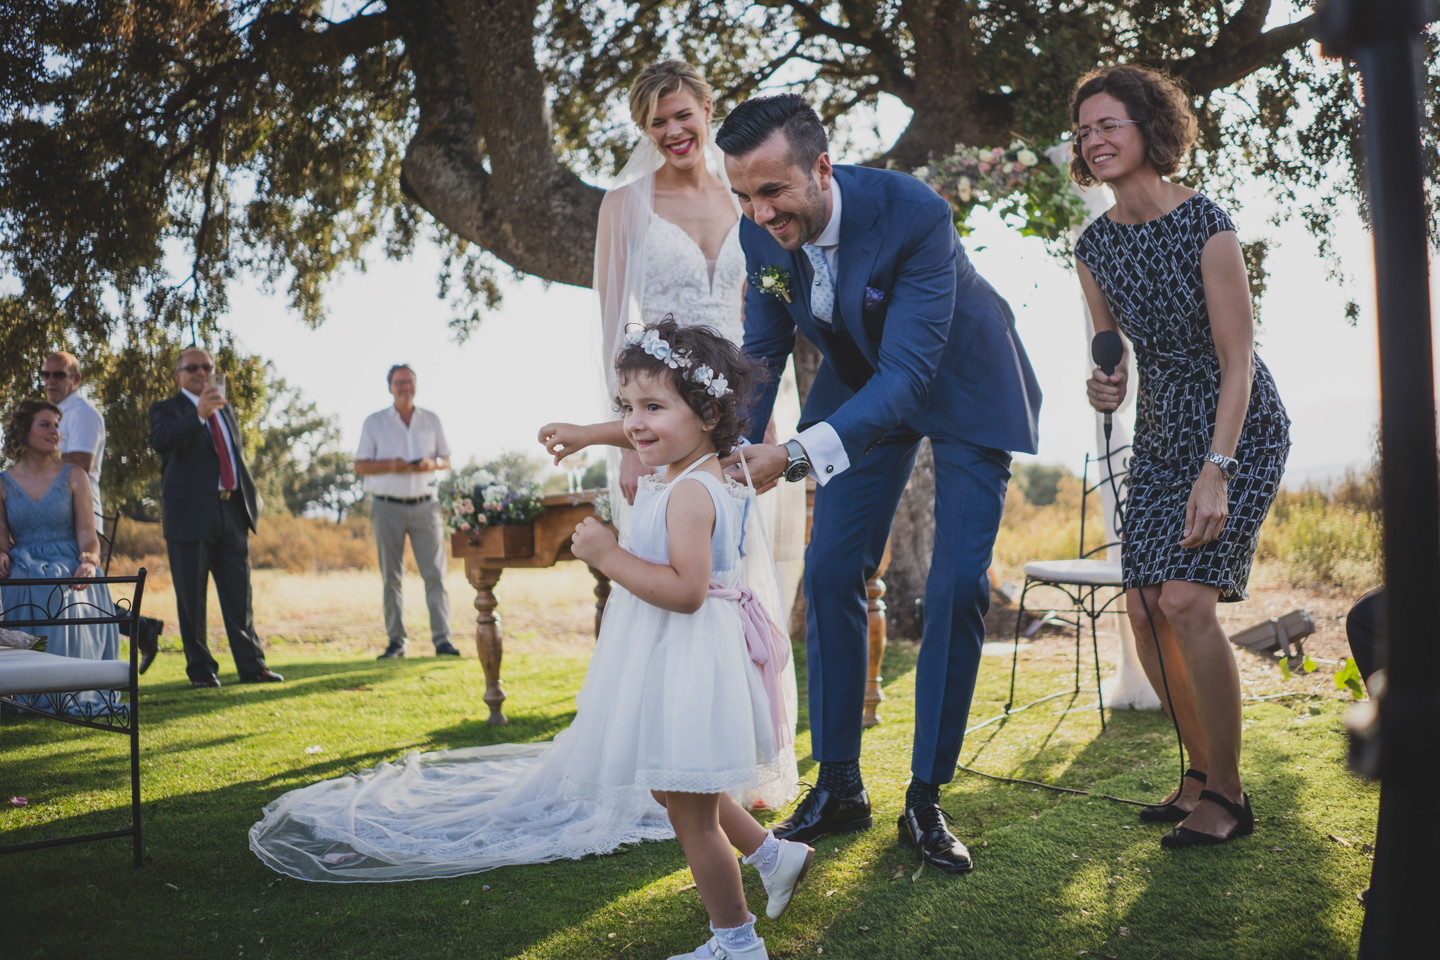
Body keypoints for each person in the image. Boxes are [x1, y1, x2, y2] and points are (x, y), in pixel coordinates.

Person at [250, 323, 804, 946]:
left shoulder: (690, 494)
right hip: (682, 656)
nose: (635, 423)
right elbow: (640, 436)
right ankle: (773, 857)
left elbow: (685, 591)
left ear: (706, 412)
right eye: (627, 407)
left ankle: (737, 942)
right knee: (670, 783)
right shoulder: (695, 470)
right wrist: (586, 431)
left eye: (652, 407)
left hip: (690, 658)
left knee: (692, 816)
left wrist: (606, 553)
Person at [712, 94, 1042, 873]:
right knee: (829, 571)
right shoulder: (758, 238)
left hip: (960, 382)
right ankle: (840, 785)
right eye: (743, 196)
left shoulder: (913, 213)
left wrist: (791, 457)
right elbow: (760, 355)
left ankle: (925, 797)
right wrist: (728, 444)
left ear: (821, 168)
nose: (759, 213)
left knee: (959, 581)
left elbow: (911, 377)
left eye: (773, 192)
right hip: (863, 386)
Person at [1071, 65, 1290, 847]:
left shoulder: (1208, 224)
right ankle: (1198, 771)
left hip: (1239, 429)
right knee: (1141, 607)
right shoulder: (1092, 246)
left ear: (1149, 131)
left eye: (1110, 125)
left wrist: (1217, 470)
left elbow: (1238, 360)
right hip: (1162, 436)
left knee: (1188, 602)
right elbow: (1114, 355)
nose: (1095, 139)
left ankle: (1230, 797)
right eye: (1085, 128)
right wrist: (1107, 385)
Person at [595, 60, 805, 611]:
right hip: (663, 413)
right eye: (656, 123)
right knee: (665, 571)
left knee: (738, 570)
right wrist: (630, 436)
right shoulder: (623, 207)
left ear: (707, 110)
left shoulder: (745, 199)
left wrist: (764, 407)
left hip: (740, 406)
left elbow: (767, 320)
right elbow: (612, 330)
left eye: (682, 115)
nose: (672, 133)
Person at [149, 346, 284, 688]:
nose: (201, 373)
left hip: (232, 512)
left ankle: (253, 666)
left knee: (240, 596)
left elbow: (234, 457)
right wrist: (198, 415)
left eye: (207, 367)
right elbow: (161, 441)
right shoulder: (166, 410)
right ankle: (202, 670)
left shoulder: (227, 411)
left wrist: (250, 501)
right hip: (189, 517)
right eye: (192, 367)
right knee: (192, 601)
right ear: (178, 375)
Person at [0, 398, 119, 715]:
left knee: (63, 592)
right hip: (22, 561)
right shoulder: (3, 482)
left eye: (57, 425)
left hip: (69, 559)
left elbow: (87, 535)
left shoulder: (74, 475)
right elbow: (1, 538)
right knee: (19, 583)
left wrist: (88, 561)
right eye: (45, 424)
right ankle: (22, 690)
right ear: (24, 431)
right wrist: (1, 553)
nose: (55, 431)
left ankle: (66, 686)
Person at [354, 364, 458, 659]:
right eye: (399, 382)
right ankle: (396, 642)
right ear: (390, 386)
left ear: (416, 385)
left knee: (435, 575)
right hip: (387, 506)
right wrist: (391, 464)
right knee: (392, 578)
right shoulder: (374, 422)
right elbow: (360, 465)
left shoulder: (431, 420)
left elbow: (446, 461)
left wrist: (431, 465)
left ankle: (443, 640)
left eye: (409, 382)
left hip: (426, 506)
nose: (405, 387)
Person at [41, 351, 106, 533]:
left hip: (80, 523)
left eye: (59, 375)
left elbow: (81, 462)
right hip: (55, 521)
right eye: (46, 375)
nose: (50, 380)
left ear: (76, 379)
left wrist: (34, 464)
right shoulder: (52, 414)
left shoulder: (83, 413)